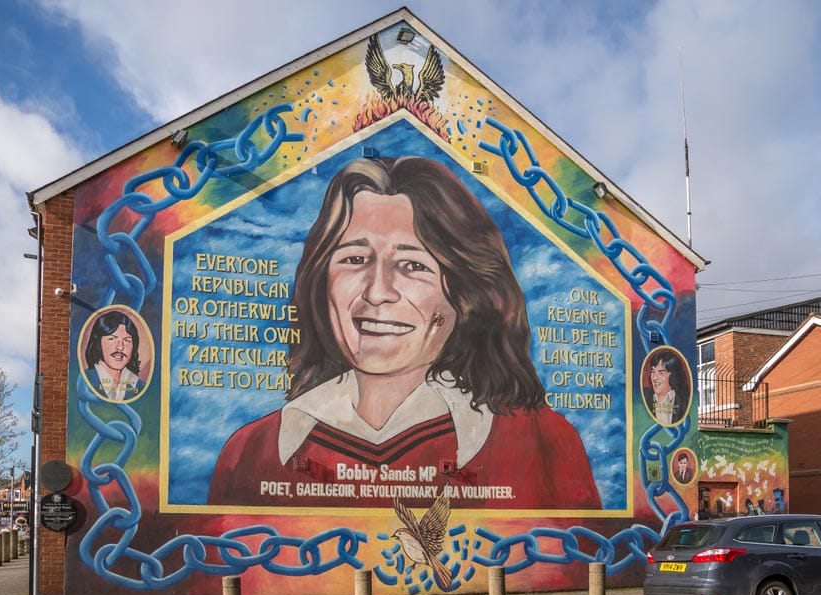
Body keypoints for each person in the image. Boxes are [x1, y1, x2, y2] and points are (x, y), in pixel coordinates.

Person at [208, 156, 601, 509]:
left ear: (464, 292)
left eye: (413, 265)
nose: (378, 292)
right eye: (355, 259)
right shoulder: (252, 452)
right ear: (321, 281)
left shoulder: (541, 442)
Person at [83, 310, 145, 401]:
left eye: (127, 340)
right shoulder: (84, 381)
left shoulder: (140, 386)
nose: (120, 347)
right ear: (97, 343)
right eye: (112, 339)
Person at [644, 350, 688, 425]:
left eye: (661, 373)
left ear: (673, 375)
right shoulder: (644, 397)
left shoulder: (684, 400)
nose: (655, 378)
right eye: (653, 372)